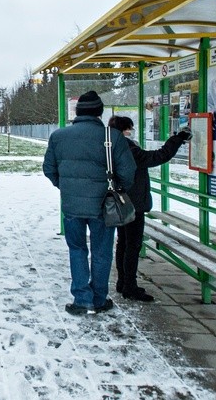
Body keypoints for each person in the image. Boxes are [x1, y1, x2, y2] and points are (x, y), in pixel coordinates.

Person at [44, 91, 135, 315]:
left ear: (78, 112)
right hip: (104, 206)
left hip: (72, 206)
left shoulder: (59, 136)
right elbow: (128, 171)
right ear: (99, 113)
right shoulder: (112, 136)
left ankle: (82, 299)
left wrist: (66, 187)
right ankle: (99, 299)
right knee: (102, 251)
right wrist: (116, 189)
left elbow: (49, 169)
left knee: (76, 249)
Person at [107, 116, 191, 302]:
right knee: (132, 245)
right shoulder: (127, 148)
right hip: (133, 203)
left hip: (120, 201)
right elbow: (157, 157)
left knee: (123, 242)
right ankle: (130, 286)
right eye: (129, 129)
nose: (131, 132)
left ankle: (123, 281)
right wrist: (177, 139)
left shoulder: (110, 145)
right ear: (124, 131)